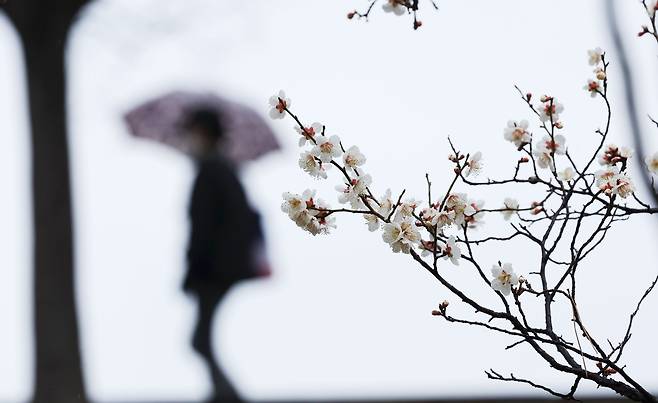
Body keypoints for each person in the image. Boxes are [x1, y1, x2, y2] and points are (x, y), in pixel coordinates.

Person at [183, 108, 264, 403]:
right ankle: (222, 393)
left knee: (199, 340)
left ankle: (226, 395)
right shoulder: (224, 169)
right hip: (222, 269)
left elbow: (204, 229)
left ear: (203, 133)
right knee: (200, 339)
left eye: (191, 132)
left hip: (213, 270)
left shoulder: (211, 170)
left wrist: (194, 270)